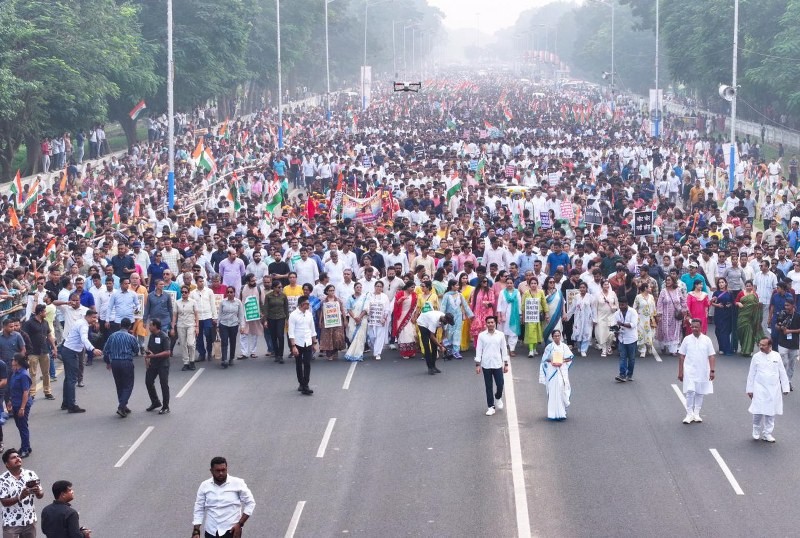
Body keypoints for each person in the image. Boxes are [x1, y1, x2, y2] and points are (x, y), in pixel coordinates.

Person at [192, 456, 255, 538]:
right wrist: (196, 531)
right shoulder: (204, 486)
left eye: (223, 470)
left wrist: (240, 524)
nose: (221, 473)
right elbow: (199, 508)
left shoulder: (238, 483)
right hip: (211, 531)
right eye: (217, 471)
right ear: (211, 471)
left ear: (226, 469)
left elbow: (250, 503)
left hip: (231, 531)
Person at [746, 337, 790, 442]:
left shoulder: (777, 356)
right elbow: (751, 374)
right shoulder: (756, 357)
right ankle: (756, 430)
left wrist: (785, 387)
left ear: (769, 346)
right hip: (759, 388)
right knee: (758, 411)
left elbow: (782, 372)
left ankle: (767, 433)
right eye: (760, 345)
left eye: (763, 345)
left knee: (771, 412)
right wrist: (750, 389)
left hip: (774, 389)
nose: (760, 347)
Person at [60, 310, 103, 413]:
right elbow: (84, 339)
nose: (95, 320)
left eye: (95, 318)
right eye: (93, 317)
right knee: (72, 379)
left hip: (67, 350)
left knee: (68, 378)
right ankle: (72, 405)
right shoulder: (83, 326)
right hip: (71, 352)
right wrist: (93, 349)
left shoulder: (80, 322)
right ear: (87, 316)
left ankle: (66, 403)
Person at [678, 319, 716, 424]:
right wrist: (680, 372)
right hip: (689, 370)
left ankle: (697, 413)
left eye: (696, 327)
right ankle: (689, 414)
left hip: (703, 370)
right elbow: (681, 356)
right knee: (690, 392)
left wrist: (712, 371)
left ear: (701, 327)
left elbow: (711, 355)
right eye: (692, 327)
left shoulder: (707, 340)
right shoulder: (686, 339)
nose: (694, 329)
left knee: (700, 392)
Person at [0, 448, 44, 537]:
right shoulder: (2, 480)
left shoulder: (30, 474)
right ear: (7, 464)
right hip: (11, 523)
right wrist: (21, 496)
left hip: (29, 521)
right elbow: (4, 502)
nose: (18, 458)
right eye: (13, 458)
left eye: (18, 456)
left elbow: (41, 494)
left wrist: (38, 492)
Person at [103, 318, 140, 418]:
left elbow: (105, 350)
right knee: (128, 385)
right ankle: (121, 406)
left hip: (114, 362)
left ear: (120, 325)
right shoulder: (131, 337)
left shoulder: (112, 336)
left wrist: (107, 362)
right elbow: (136, 350)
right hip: (126, 362)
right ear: (129, 327)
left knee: (119, 385)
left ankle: (123, 405)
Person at [474, 316, 509, 416]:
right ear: (486, 324)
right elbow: (479, 350)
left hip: (497, 364)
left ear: (495, 323)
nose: (490, 324)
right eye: (488, 322)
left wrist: (505, 363)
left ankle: (498, 397)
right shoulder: (482, 336)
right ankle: (491, 406)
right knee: (488, 386)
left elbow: (504, 349)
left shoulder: (500, 335)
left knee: (500, 384)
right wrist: (478, 364)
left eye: (492, 322)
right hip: (486, 364)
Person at [21, 305, 57, 401]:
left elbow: (49, 335)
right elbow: (24, 336)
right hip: (33, 352)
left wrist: (54, 347)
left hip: (44, 351)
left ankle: (47, 392)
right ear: (40, 312)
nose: (46, 313)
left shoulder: (45, 322)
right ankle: (32, 393)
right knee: (32, 373)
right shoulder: (29, 323)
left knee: (46, 373)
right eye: (45, 311)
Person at [538, 329, 574, 420]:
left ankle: (562, 412)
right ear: (552, 337)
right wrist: (552, 361)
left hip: (561, 371)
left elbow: (569, 358)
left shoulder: (564, 346)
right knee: (553, 391)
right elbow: (544, 359)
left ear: (560, 336)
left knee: (562, 389)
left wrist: (562, 361)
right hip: (552, 371)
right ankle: (552, 413)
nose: (557, 337)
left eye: (558, 335)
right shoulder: (549, 347)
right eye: (555, 336)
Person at [288, 296, 317, 395]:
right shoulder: (293, 315)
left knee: (307, 363)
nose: (308, 305)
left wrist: (314, 343)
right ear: (301, 304)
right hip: (298, 343)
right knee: (299, 364)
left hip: (308, 342)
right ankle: (301, 383)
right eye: (306, 304)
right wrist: (293, 346)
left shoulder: (309, 314)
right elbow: (291, 332)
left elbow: (312, 329)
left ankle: (306, 384)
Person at [7, 355, 33, 458]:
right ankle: (26, 446)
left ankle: (25, 449)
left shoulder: (23, 375)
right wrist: (10, 401)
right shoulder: (14, 373)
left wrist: (22, 408)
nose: (12, 361)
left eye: (13, 359)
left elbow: (25, 392)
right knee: (20, 426)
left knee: (22, 426)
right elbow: (13, 389)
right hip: (15, 403)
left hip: (22, 405)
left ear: (17, 362)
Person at [415, 310, 455, 375]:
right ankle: (430, 368)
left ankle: (434, 366)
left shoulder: (444, 320)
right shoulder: (434, 320)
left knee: (434, 346)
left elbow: (444, 333)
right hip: (423, 324)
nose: (447, 323)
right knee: (426, 346)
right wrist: (440, 346)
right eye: (447, 322)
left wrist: (443, 343)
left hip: (431, 324)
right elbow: (432, 336)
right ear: (444, 319)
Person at [144, 319, 171, 415]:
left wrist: (154, 356)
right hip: (153, 363)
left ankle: (165, 406)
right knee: (148, 381)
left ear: (155, 326)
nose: (149, 327)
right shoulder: (151, 336)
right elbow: (149, 349)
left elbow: (167, 352)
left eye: (151, 325)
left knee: (164, 384)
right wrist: (147, 358)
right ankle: (155, 401)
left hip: (163, 364)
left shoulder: (164, 337)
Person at [563, 281, 595, 357]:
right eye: (581, 287)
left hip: (587, 318)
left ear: (586, 288)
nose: (582, 289)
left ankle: (584, 350)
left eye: (584, 287)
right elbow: (572, 308)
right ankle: (580, 347)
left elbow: (593, 309)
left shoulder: (590, 297)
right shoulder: (576, 297)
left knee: (586, 333)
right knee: (578, 333)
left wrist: (594, 319)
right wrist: (567, 316)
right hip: (578, 318)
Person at [775, 297, 800, 391]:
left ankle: (788, 382)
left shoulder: (798, 316)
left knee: (791, 365)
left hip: (794, 344)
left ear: (793, 305)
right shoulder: (782, 314)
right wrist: (781, 328)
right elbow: (776, 325)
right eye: (785, 305)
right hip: (782, 343)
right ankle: (781, 380)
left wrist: (790, 331)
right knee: (783, 363)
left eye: (787, 305)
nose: (786, 307)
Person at [218, 287, 244, 369]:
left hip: (234, 324)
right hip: (224, 324)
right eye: (228, 292)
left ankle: (231, 358)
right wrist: (218, 325)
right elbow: (220, 314)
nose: (229, 294)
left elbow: (241, 315)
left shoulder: (238, 302)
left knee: (233, 341)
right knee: (224, 341)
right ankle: (224, 359)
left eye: (231, 292)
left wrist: (242, 326)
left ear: (234, 293)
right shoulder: (223, 302)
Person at [262, 281, 288, 364]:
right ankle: (276, 354)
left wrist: (287, 319)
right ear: (274, 288)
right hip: (271, 318)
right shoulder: (268, 296)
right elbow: (266, 308)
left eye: (281, 287)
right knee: (273, 336)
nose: (280, 289)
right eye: (278, 287)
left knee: (280, 336)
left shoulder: (283, 296)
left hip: (281, 317)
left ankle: (280, 355)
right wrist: (265, 320)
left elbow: (286, 308)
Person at [318, 285, 346, 360]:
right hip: (327, 322)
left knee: (337, 337)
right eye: (330, 290)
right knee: (328, 337)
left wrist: (345, 320)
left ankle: (335, 352)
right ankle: (329, 354)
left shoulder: (338, 300)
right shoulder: (323, 301)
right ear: (327, 291)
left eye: (333, 290)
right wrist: (320, 321)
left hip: (337, 322)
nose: (332, 292)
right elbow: (322, 312)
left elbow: (342, 310)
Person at [736, 280, 764, 356]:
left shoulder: (755, 295)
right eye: (747, 286)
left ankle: (748, 351)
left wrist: (759, 306)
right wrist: (738, 303)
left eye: (750, 286)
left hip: (751, 317)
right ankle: (743, 347)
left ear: (752, 287)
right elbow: (736, 301)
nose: (748, 287)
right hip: (742, 315)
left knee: (749, 333)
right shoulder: (741, 293)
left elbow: (757, 306)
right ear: (745, 286)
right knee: (742, 332)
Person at [614, 298, 639, 383]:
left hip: (631, 339)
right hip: (621, 339)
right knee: (622, 357)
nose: (621, 307)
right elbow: (614, 324)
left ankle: (630, 374)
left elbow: (633, 325)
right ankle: (622, 375)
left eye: (623, 305)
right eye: (620, 305)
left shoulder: (633, 312)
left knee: (631, 358)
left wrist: (622, 324)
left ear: (627, 304)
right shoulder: (617, 313)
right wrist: (615, 330)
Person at [391, 282, 419, 359]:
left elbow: (416, 307)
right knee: (403, 334)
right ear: (407, 287)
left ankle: (411, 352)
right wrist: (400, 300)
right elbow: (396, 305)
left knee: (411, 334)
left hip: (410, 316)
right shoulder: (400, 294)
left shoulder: (414, 295)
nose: (413, 289)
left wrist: (414, 317)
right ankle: (405, 353)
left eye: (414, 287)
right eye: (412, 287)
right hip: (401, 316)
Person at [175, 286, 200, 371]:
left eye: (185, 292)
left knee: (190, 343)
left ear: (188, 293)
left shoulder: (193, 302)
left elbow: (196, 315)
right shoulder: (177, 302)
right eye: (182, 292)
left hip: (191, 325)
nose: (184, 294)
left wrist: (197, 326)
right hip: (181, 325)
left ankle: (192, 360)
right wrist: (172, 326)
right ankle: (186, 362)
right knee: (183, 344)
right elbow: (175, 315)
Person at [365, 281, 391, 361]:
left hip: (381, 320)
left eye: (380, 286)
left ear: (382, 288)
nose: (378, 288)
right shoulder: (370, 295)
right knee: (372, 336)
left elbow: (387, 309)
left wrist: (384, 318)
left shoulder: (385, 296)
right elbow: (366, 306)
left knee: (380, 336)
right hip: (371, 320)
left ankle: (378, 353)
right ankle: (374, 349)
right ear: (374, 286)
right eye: (377, 286)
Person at [344, 283, 369, 362]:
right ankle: (351, 353)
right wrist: (355, 318)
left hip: (362, 319)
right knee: (352, 335)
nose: (359, 288)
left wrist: (360, 317)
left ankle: (358, 354)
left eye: (360, 287)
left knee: (360, 337)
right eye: (357, 287)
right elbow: (348, 309)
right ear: (354, 288)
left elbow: (366, 308)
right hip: (353, 319)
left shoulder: (365, 297)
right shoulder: (350, 298)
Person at [521, 277, 547, 357]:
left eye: (535, 283)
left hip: (538, 315)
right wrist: (523, 316)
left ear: (537, 284)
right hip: (530, 316)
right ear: (529, 285)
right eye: (531, 283)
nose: (533, 285)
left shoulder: (541, 292)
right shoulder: (526, 293)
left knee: (537, 332)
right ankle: (531, 350)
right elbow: (523, 305)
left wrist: (547, 314)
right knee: (531, 333)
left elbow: (544, 303)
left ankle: (535, 348)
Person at [496, 278, 522, 356]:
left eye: (511, 283)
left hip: (514, 316)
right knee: (503, 332)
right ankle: (504, 348)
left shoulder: (517, 292)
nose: (509, 284)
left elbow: (519, 304)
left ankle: (512, 349)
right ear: (505, 284)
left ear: (513, 284)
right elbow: (499, 304)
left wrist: (520, 315)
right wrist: (499, 316)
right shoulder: (502, 292)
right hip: (504, 315)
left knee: (513, 333)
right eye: (508, 283)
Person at [710, 277, 734, 355]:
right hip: (719, 314)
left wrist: (729, 305)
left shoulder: (729, 292)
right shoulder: (716, 293)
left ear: (726, 283)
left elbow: (733, 302)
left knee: (726, 331)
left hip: (727, 314)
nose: (721, 284)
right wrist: (717, 305)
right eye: (719, 283)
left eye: (722, 282)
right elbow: (711, 303)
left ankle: (727, 349)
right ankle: (721, 348)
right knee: (718, 331)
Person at [469, 277, 496, 347]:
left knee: (487, 329)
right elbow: (472, 303)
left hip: (487, 313)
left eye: (486, 281)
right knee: (477, 330)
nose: (485, 283)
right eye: (484, 281)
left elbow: (493, 301)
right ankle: (478, 347)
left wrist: (488, 303)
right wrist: (470, 314)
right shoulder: (475, 291)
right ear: (480, 282)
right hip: (477, 313)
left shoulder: (490, 291)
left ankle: (487, 347)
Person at [595, 280, 619, 357]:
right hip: (601, 317)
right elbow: (595, 307)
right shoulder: (598, 295)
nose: (607, 286)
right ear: (602, 285)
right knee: (602, 333)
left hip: (611, 316)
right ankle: (604, 349)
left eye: (607, 284)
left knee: (611, 334)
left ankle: (609, 346)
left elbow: (617, 305)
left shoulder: (613, 294)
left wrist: (613, 307)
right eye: (605, 285)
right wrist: (594, 318)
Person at [542, 276, 564, 343]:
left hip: (556, 316)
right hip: (547, 316)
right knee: (547, 331)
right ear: (547, 283)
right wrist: (549, 295)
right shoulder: (543, 292)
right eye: (550, 282)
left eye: (553, 282)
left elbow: (563, 303)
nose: (552, 283)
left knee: (557, 330)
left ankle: (557, 348)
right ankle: (549, 348)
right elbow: (542, 303)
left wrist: (564, 313)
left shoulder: (559, 292)